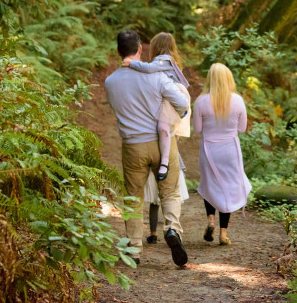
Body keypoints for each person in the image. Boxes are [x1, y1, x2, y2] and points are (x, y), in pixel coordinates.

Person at [104, 30, 189, 267]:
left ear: (118, 51)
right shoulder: (157, 76)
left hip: (132, 146)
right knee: (169, 192)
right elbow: (182, 102)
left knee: (133, 198)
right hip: (162, 144)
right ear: (140, 49)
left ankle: (134, 249)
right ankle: (172, 230)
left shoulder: (110, 83)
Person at [193, 63, 251, 246]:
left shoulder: (201, 101)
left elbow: (197, 129)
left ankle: (211, 219)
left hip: (209, 150)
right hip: (230, 151)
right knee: (228, 188)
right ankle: (223, 234)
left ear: (210, 79)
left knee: (209, 185)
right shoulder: (238, 101)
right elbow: (242, 128)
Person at [123, 32, 191, 181]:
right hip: (171, 98)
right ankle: (178, 166)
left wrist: (131, 63)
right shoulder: (169, 61)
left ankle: (166, 164)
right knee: (165, 135)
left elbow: (148, 68)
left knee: (163, 128)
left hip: (173, 99)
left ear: (157, 47)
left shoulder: (163, 60)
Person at [143, 166, 189, 244]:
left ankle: (153, 234)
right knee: (172, 200)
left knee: (154, 203)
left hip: (154, 168)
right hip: (172, 168)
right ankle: (172, 230)